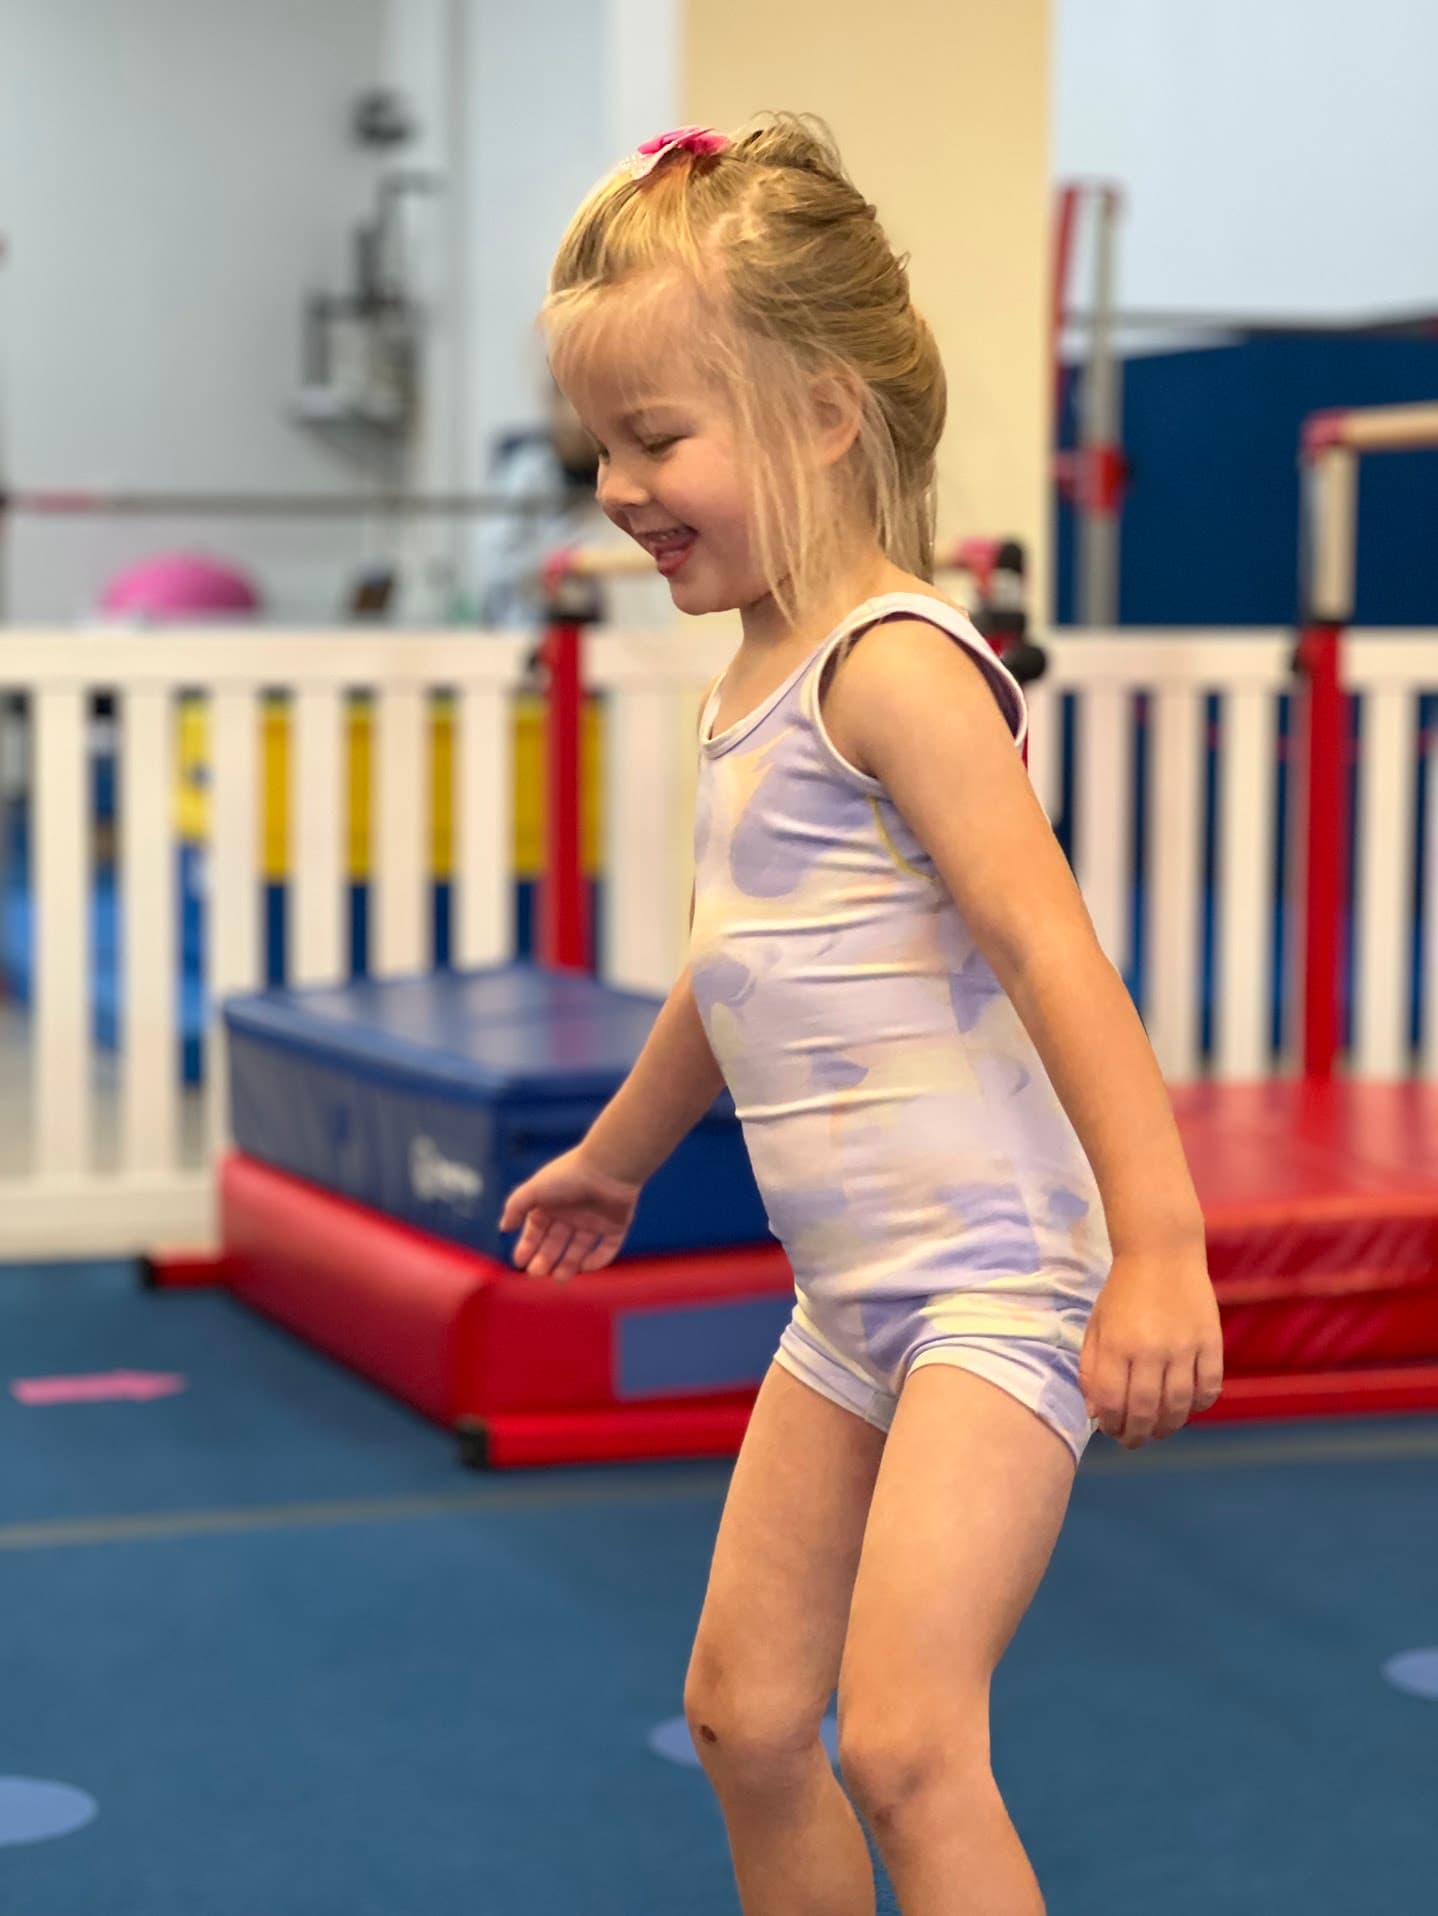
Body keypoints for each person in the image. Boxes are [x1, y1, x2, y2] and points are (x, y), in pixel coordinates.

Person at [499, 115, 1224, 1916]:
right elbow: (727, 970)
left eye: (659, 436)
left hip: (1000, 1280)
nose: (618, 486)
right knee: (746, 1721)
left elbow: (1058, 954)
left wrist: (1158, 1247)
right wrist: (609, 1154)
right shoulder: (754, 678)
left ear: (824, 413)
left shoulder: (894, 665)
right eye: (603, 445)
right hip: (851, 1304)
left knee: (906, 1741)